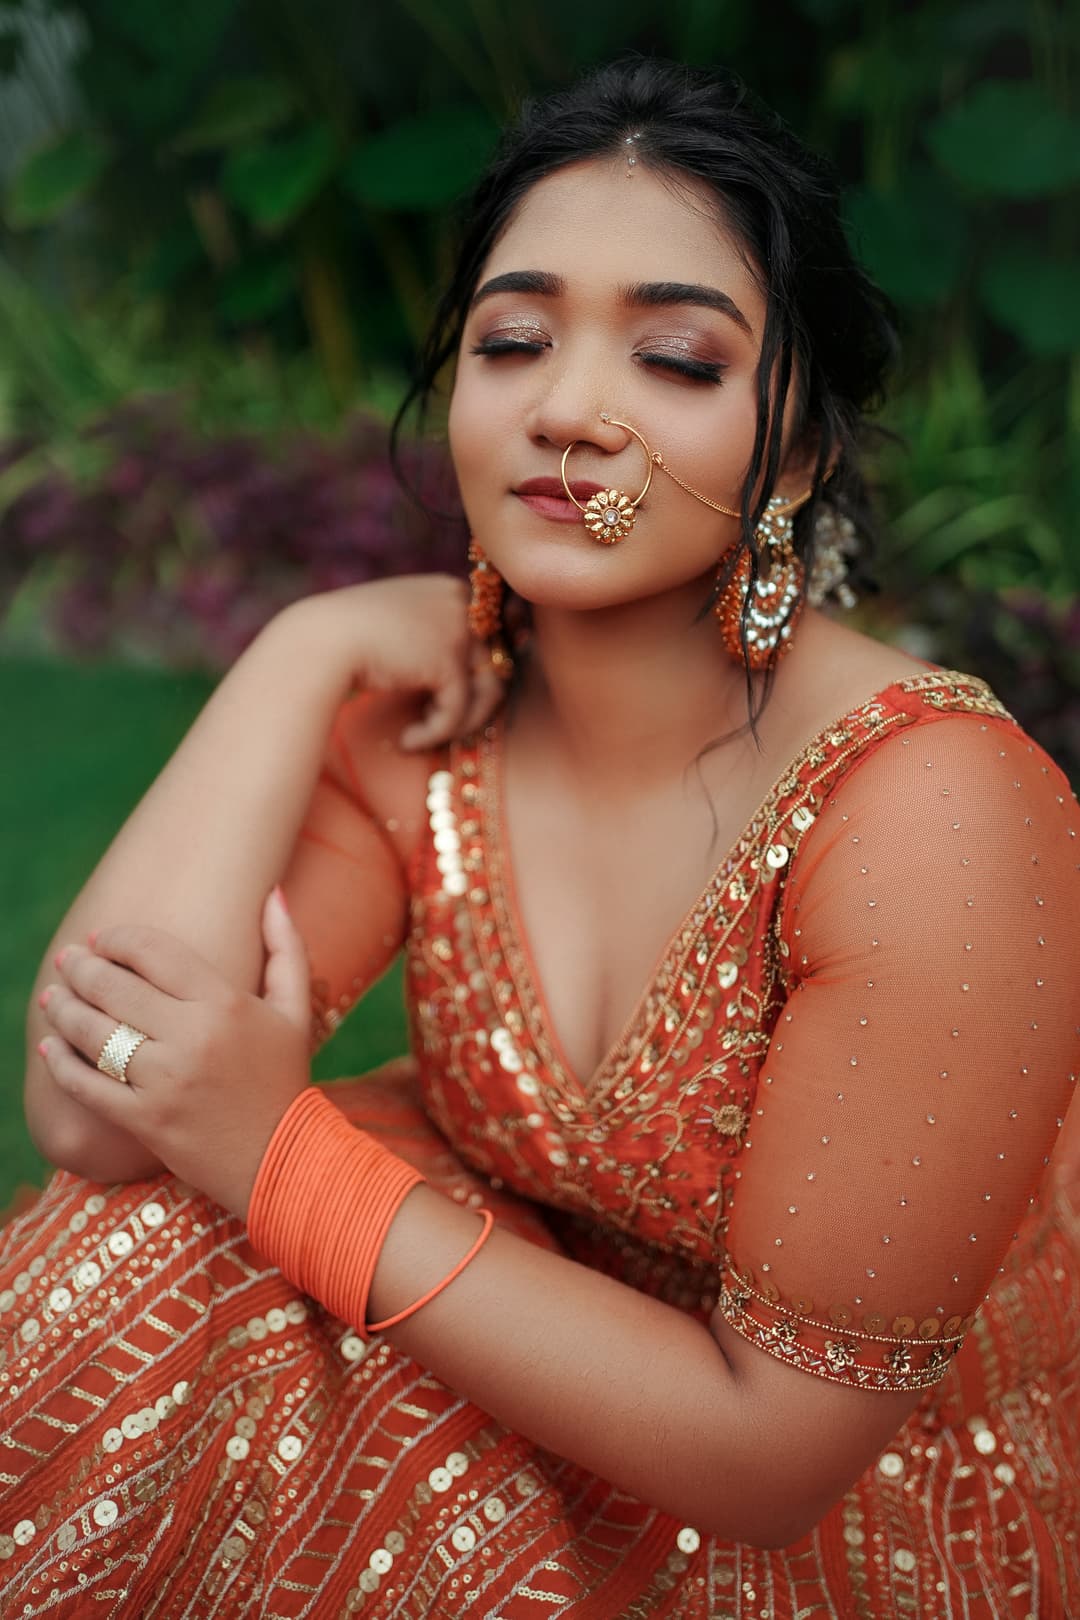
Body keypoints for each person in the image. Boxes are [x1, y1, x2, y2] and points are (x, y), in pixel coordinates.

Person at [2, 57, 1078, 1620]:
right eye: (514, 341)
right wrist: (298, 652)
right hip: (537, 1379)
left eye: (675, 360)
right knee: (139, 1247)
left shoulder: (933, 809)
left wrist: (270, 1147)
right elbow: (96, 1113)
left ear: (792, 461)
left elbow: (775, 1456)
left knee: (233, 1197)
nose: (570, 411)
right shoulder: (434, 724)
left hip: (845, 1523)